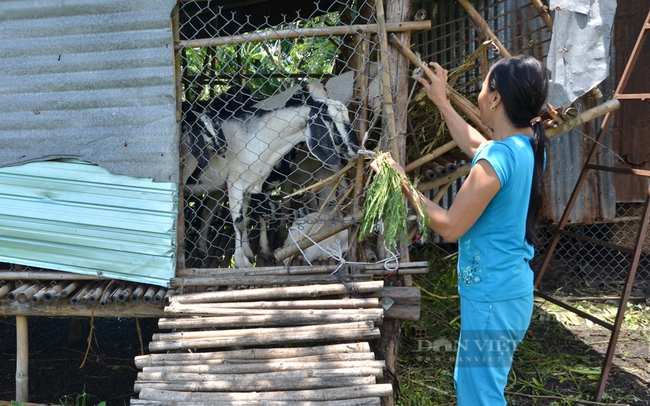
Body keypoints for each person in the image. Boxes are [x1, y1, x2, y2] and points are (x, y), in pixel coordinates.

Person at [370, 55, 548, 406]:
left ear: (495, 98)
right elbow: (475, 145)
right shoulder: (526, 147)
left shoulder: (498, 158)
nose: (480, 94)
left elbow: (450, 227)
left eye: (483, 87)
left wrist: (401, 181)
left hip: (492, 300)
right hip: (509, 293)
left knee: (479, 397)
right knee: (478, 388)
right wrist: (441, 100)